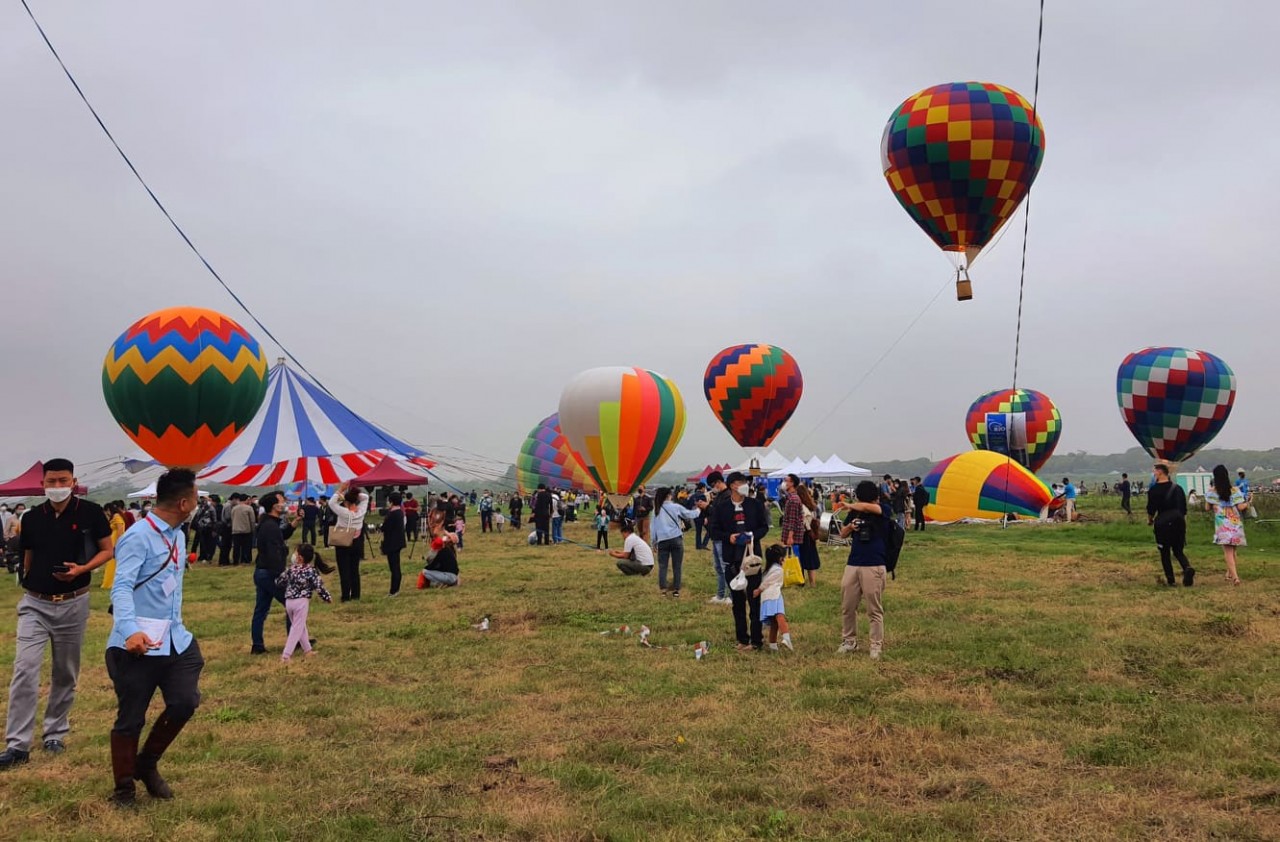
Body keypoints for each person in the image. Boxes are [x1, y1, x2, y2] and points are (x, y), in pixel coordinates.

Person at [0, 459, 113, 770]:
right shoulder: (32, 518)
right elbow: (28, 555)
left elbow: (107, 550)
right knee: (24, 669)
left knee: (65, 672)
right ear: (42, 484)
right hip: (35, 603)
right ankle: (17, 745)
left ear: (73, 482)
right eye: (51, 481)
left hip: (73, 602)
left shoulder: (91, 512)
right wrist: (28, 580)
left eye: (63, 480)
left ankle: (55, 732)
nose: (57, 486)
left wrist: (82, 569)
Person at [104, 468, 204, 805]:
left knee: (185, 701)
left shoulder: (178, 535)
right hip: (137, 644)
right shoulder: (138, 537)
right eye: (196, 497)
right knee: (131, 717)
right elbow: (121, 588)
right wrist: (130, 630)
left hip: (174, 638)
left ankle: (146, 764)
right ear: (183, 503)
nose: (198, 502)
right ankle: (123, 790)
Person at [711, 472, 770, 652]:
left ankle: (757, 640)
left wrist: (752, 536)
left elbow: (764, 527)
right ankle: (742, 639)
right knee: (737, 602)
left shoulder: (755, 504)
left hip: (752, 560)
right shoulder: (721, 508)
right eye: (740, 482)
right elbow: (714, 531)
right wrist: (729, 537)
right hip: (732, 560)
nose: (744, 485)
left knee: (754, 600)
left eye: (745, 482)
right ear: (732, 486)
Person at [835, 480, 889, 660]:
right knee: (847, 605)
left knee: (874, 609)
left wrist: (850, 505)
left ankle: (876, 645)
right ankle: (849, 641)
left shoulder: (882, 509)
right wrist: (851, 526)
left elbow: (870, 508)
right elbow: (842, 534)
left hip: (874, 563)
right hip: (853, 563)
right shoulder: (855, 512)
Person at [251, 493, 300, 654]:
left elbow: (281, 535)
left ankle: (257, 645)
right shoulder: (270, 526)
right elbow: (274, 552)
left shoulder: (268, 523)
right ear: (274, 506)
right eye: (281, 501)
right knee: (292, 604)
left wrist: (294, 523)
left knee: (261, 610)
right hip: (271, 573)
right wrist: (282, 574)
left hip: (262, 571)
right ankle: (295, 639)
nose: (284, 503)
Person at [277, 544, 334, 661]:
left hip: (289, 602)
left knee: (300, 626)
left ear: (299, 557)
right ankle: (286, 655)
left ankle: (307, 650)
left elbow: (279, 581)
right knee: (297, 628)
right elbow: (319, 587)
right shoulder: (311, 571)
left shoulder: (291, 569)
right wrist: (327, 597)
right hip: (301, 602)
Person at [650, 487, 704, 598]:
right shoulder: (675, 507)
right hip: (676, 538)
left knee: (663, 566)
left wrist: (653, 542)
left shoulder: (656, 510)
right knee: (677, 566)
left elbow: (653, 528)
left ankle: (663, 590)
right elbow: (689, 514)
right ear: (669, 495)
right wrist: (698, 509)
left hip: (662, 540)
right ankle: (676, 590)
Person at [1147, 463, 1194, 587]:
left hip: (1162, 524)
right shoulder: (1178, 488)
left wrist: (1150, 520)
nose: (1154, 474)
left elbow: (1151, 509)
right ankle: (1187, 567)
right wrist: (1183, 525)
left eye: (1154, 471)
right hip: (1178, 522)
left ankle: (1171, 580)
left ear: (1160, 472)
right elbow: (1183, 509)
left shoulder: (1154, 490)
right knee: (1178, 551)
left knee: (1165, 553)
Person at [327, 483, 370, 602]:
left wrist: (341, 490)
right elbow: (365, 497)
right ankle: (356, 594)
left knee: (344, 570)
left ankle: (346, 596)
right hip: (356, 542)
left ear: (346, 502)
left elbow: (331, 503)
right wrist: (353, 495)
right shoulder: (361, 511)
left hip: (343, 542)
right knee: (354, 570)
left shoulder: (344, 512)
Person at [1207, 464, 1247, 585]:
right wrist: (1248, 502)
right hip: (1235, 523)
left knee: (1228, 552)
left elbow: (1207, 508)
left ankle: (1235, 577)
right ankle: (1230, 574)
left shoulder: (1212, 492)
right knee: (1233, 550)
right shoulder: (1235, 490)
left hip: (1222, 525)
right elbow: (1241, 507)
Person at [754, 545, 793, 652]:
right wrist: (759, 590)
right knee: (780, 616)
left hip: (766, 598)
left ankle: (773, 645)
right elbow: (768, 582)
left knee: (774, 623)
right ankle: (786, 637)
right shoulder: (778, 570)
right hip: (774, 596)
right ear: (779, 558)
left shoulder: (767, 570)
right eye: (783, 557)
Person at [703, 472, 731, 605]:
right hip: (715, 536)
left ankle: (730, 595)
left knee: (726, 567)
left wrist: (708, 507)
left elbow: (722, 514)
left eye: (713, 485)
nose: (713, 488)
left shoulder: (728, 495)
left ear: (719, 482)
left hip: (722, 536)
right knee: (719, 568)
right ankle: (720, 594)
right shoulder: (718, 496)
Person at [419, 512, 460, 588]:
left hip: (450, 576)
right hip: (453, 575)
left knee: (425, 572)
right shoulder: (449, 551)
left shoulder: (441, 551)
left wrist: (426, 568)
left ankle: (444, 583)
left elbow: (432, 565)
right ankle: (445, 582)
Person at [382, 492, 406, 596]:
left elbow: (385, 527)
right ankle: (394, 589)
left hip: (392, 543)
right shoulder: (399, 512)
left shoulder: (393, 514)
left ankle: (394, 590)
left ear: (391, 502)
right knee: (395, 566)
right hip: (397, 542)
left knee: (394, 567)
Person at [101, 501, 129, 592]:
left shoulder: (116, 516)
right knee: (111, 563)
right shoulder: (115, 517)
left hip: (115, 541)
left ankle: (111, 582)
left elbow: (120, 530)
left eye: (107, 511)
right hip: (112, 540)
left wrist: (118, 543)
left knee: (112, 563)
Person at [230, 494, 256, 566]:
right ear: (246, 500)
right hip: (246, 530)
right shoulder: (249, 508)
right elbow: (252, 520)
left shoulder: (234, 508)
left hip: (235, 530)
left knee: (236, 547)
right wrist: (253, 529)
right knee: (246, 547)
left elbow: (232, 518)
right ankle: (245, 560)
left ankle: (236, 561)